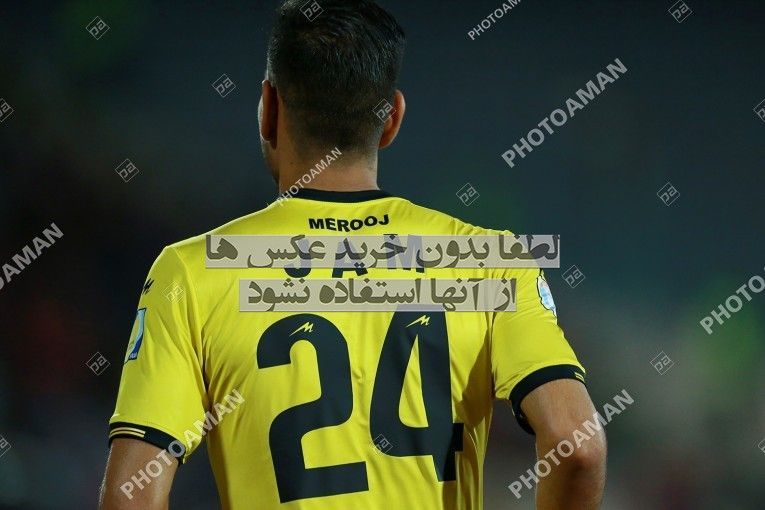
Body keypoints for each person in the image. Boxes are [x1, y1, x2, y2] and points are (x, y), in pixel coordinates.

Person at [99, 1, 606, 508]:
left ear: (268, 108)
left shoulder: (192, 272)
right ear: (392, 119)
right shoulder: (494, 263)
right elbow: (577, 447)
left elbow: (130, 497)